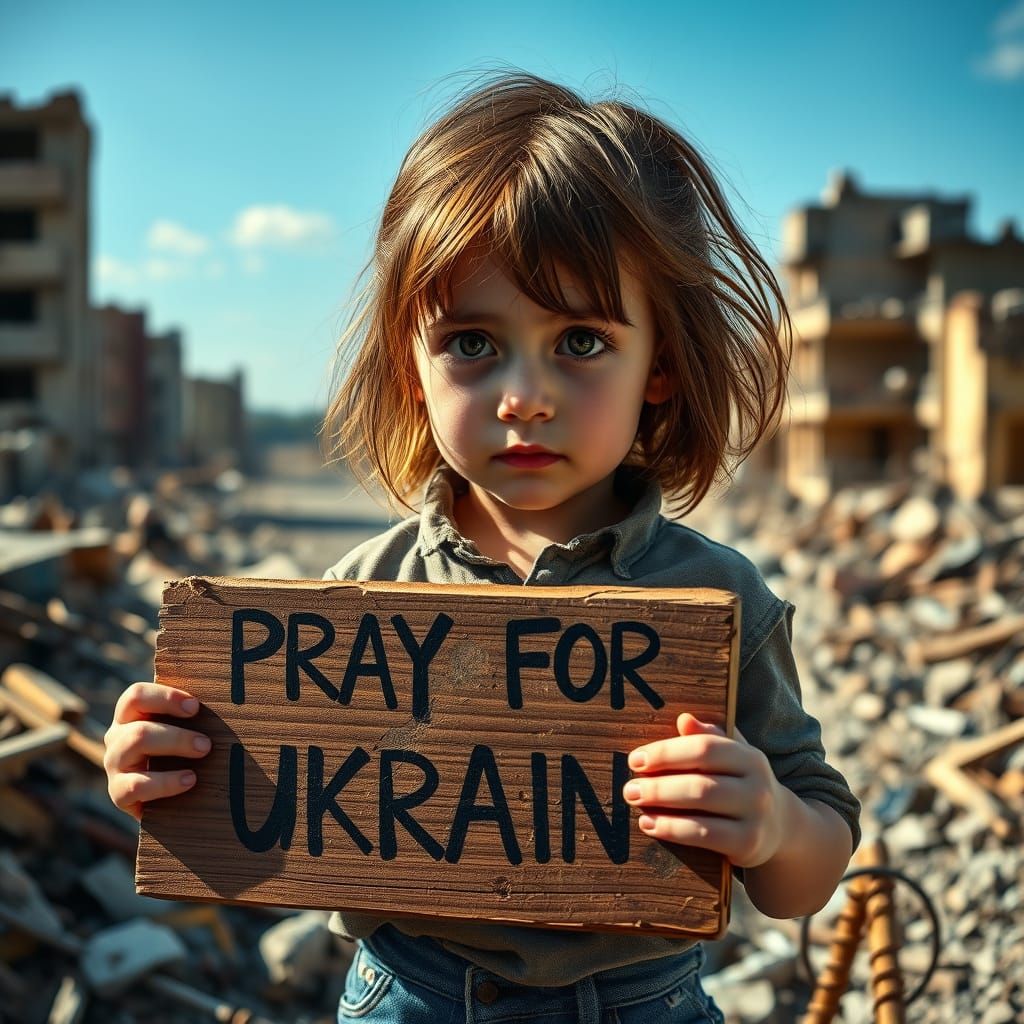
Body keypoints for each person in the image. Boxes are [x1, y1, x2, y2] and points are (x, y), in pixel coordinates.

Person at [104, 69, 861, 1023]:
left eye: (580, 342)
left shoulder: (714, 596)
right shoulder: (362, 594)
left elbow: (808, 872)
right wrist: (168, 769)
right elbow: (261, 812)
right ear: (411, 367)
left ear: (660, 366)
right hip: (403, 995)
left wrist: (774, 825)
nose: (523, 397)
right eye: (471, 343)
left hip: (638, 1003)